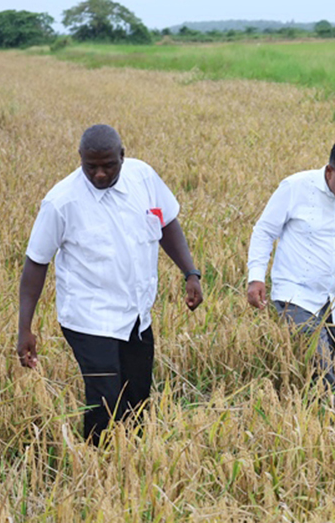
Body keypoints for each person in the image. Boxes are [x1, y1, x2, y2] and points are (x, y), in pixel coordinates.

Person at [17, 124, 203, 446]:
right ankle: (96, 467)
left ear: (123, 156)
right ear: (80, 159)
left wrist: (190, 272)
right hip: (89, 317)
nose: (100, 174)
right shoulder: (61, 202)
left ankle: (129, 465)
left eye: (108, 165)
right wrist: (25, 328)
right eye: (91, 167)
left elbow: (168, 223)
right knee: (105, 400)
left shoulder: (143, 178)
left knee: (138, 398)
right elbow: (36, 263)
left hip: (136, 315)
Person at [246, 139, 335, 402]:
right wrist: (256, 277)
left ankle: (311, 422)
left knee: (321, 368)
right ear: (330, 171)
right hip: (295, 294)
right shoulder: (295, 187)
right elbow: (264, 232)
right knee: (321, 364)